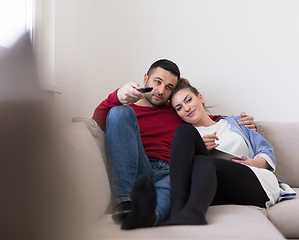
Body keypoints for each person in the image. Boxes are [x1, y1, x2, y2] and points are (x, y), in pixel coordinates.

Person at [92, 59, 256, 229]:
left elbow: (206, 119)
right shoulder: (130, 112)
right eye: (157, 82)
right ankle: (125, 204)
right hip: (140, 166)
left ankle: (147, 216)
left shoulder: (176, 110)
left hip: (173, 169)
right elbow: (96, 124)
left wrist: (239, 122)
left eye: (169, 87)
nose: (161, 91)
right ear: (146, 78)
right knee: (119, 111)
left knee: (172, 185)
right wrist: (117, 96)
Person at [159, 82, 297, 226]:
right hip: (215, 187)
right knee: (186, 136)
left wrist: (252, 162)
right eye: (179, 108)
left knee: (203, 161)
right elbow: (182, 171)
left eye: (189, 100)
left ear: (200, 98)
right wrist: (199, 148)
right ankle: (178, 209)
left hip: (253, 181)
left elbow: (265, 150)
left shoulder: (237, 123)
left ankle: (193, 213)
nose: (186, 108)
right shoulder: (187, 138)